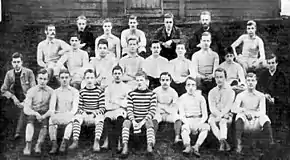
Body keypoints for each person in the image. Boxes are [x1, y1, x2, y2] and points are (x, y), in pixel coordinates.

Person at [232, 72, 275, 154]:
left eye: (252, 80)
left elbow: (263, 111)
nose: (250, 83)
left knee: (265, 117)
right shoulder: (241, 95)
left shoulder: (261, 95)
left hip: (256, 121)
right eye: (248, 80)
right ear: (245, 82)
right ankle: (238, 144)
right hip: (245, 122)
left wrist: (254, 115)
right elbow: (234, 108)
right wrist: (244, 111)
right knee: (239, 115)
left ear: (256, 82)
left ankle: (270, 142)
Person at [120, 71, 157, 158]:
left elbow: (152, 111)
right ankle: (125, 146)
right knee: (126, 123)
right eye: (137, 80)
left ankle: (149, 147)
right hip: (134, 119)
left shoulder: (152, 94)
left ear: (146, 81)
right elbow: (129, 109)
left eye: (141, 80)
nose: (139, 82)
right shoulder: (131, 94)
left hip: (144, 119)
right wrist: (133, 121)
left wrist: (142, 122)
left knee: (149, 123)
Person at [68, 69, 105, 152]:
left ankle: (96, 141)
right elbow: (80, 107)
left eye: (92, 78)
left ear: (95, 79)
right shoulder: (81, 92)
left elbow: (102, 108)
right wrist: (84, 114)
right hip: (84, 114)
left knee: (100, 118)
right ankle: (75, 141)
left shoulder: (100, 92)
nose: (89, 80)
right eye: (87, 78)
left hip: (95, 115)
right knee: (77, 118)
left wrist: (93, 114)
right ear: (84, 79)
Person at [1, 52, 36, 140]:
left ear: (22, 62)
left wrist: (25, 102)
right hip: (14, 99)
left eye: (18, 62)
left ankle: (18, 133)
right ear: (12, 63)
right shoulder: (9, 74)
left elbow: (33, 90)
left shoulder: (29, 72)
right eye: (14, 62)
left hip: (26, 98)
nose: (16, 64)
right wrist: (13, 97)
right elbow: (3, 89)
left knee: (23, 110)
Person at [22, 69, 54, 155]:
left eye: (44, 79)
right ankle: (28, 145)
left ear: (47, 80)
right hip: (34, 112)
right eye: (40, 78)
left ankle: (38, 144)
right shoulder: (31, 91)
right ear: (36, 78)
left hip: (45, 113)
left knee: (44, 124)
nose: (42, 81)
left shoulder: (51, 92)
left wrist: (43, 116)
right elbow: (26, 109)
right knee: (30, 121)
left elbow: (52, 109)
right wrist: (35, 113)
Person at [257, 54, 289, 138]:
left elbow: (284, 91)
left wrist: (275, 99)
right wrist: (264, 94)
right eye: (269, 63)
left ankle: (277, 131)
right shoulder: (263, 75)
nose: (271, 65)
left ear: (276, 63)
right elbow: (259, 87)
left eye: (273, 63)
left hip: (278, 101)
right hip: (265, 100)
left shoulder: (282, 76)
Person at [101, 65, 130, 157]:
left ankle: (119, 142)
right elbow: (106, 104)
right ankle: (109, 142)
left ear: (122, 75)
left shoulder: (126, 87)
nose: (117, 75)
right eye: (115, 74)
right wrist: (119, 102)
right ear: (112, 75)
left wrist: (115, 101)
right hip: (111, 110)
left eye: (119, 73)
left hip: (121, 110)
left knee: (120, 117)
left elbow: (127, 103)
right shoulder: (108, 88)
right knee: (107, 118)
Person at [48, 69, 79, 154]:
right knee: (51, 119)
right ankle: (54, 144)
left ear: (70, 78)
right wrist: (53, 114)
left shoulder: (75, 91)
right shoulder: (56, 92)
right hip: (59, 114)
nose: (64, 79)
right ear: (59, 79)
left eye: (66, 77)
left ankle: (64, 142)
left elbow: (75, 107)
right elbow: (52, 107)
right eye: (62, 78)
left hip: (69, 115)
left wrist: (70, 114)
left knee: (73, 119)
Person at [179, 77, 210, 157]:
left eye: (193, 85)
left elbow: (205, 115)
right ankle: (187, 146)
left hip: (199, 119)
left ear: (196, 87)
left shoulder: (201, 98)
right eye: (188, 85)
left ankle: (197, 146)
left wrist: (199, 124)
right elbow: (182, 115)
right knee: (184, 129)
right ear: (185, 87)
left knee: (206, 127)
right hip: (188, 119)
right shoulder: (182, 98)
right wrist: (187, 123)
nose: (190, 87)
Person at [208, 68, 235, 151]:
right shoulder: (212, 92)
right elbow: (212, 107)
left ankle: (222, 142)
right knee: (211, 121)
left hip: (226, 114)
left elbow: (228, 106)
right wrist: (218, 115)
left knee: (223, 122)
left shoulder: (230, 91)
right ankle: (222, 141)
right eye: (216, 77)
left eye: (221, 77)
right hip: (215, 114)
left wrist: (221, 115)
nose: (219, 79)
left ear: (225, 78)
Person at [152, 72, 182, 143]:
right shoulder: (155, 91)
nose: (165, 82)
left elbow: (175, 108)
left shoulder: (173, 92)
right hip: (159, 113)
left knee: (177, 118)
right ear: (160, 81)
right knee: (154, 118)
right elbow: (153, 105)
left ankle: (177, 137)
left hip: (169, 113)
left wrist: (163, 107)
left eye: (167, 80)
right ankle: (152, 138)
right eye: (163, 80)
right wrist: (162, 108)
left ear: (170, 81)